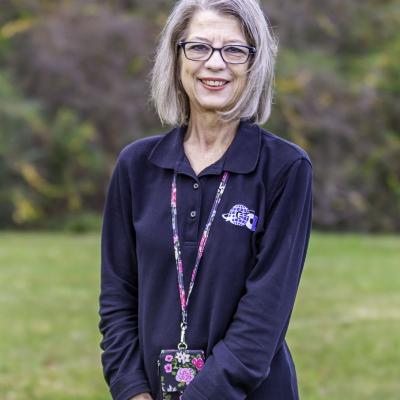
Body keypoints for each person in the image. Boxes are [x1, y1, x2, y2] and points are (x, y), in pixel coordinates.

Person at [98, 0, 313, 399]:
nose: (215, 63)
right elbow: (117, 298)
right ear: (176, 57)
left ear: (255, 63)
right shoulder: (135, 166)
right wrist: (132, 391)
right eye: (199, 47)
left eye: (234, 50)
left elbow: (264, 316)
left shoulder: (285, 168)